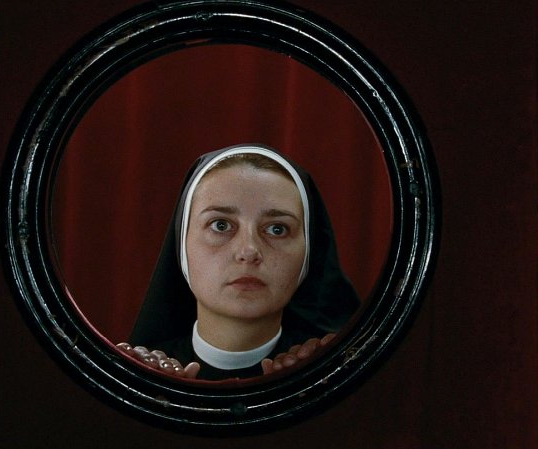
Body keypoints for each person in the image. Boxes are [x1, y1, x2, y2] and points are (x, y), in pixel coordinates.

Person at [119, 144, 359, 381]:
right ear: (182, 245)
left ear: (308, 254)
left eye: (277, 229)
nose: (248, 251)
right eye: (221, 225)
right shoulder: (139, 378)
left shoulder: (336, 377)